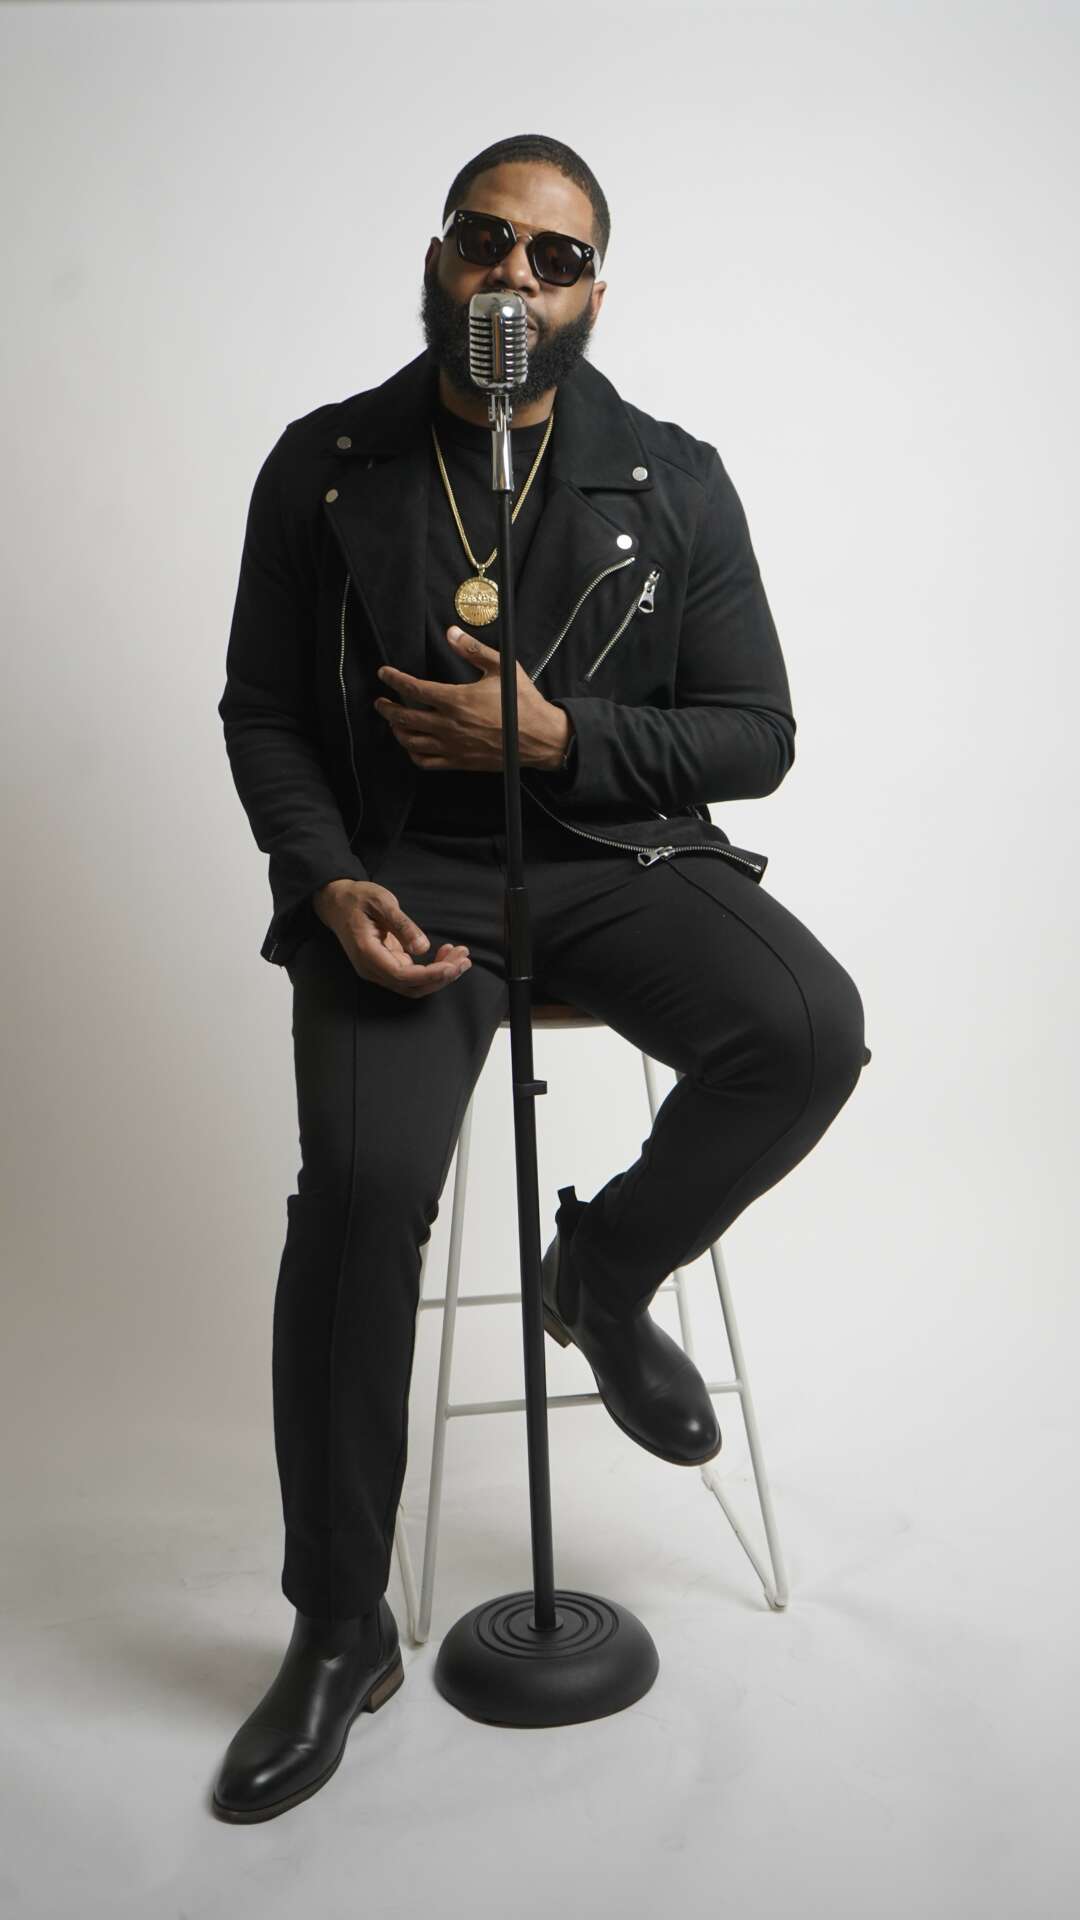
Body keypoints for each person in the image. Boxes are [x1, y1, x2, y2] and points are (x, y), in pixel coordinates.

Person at [210, 132, 868, 1822]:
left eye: (553, 257)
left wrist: (564, 738)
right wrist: (329, 877)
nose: (515, 276)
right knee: (360, 1193)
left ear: (593, 294)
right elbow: (265, 713)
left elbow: (757, 732)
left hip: (610, 856)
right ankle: (339, 1628)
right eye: (486, 242)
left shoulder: (673, 476)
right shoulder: (326, 466)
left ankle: (601, 1273)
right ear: (439, 261)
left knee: (808, 1029)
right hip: (401, 871)